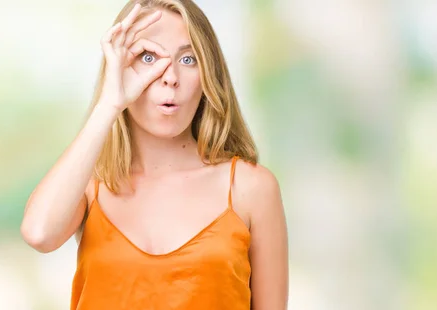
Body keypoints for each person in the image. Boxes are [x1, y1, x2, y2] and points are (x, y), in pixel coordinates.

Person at [19, 1, 289, 309]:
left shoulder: (251, 189)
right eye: (148, 57)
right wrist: (109, 104)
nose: (170, 76)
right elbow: (39, 233)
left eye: (188, 59)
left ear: (208, 75)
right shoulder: (90, 184)